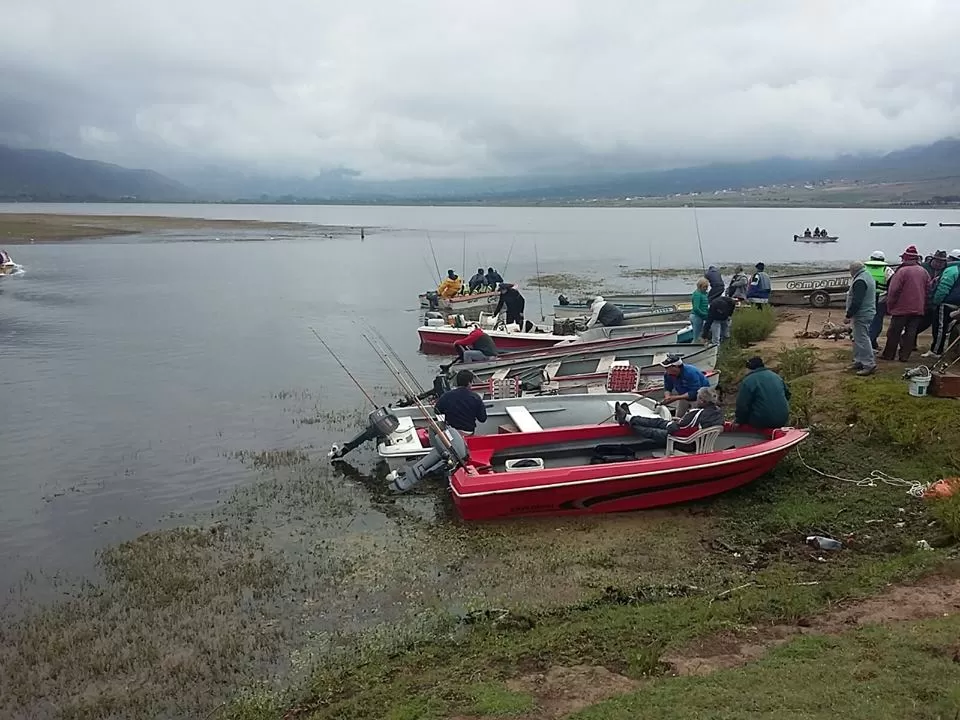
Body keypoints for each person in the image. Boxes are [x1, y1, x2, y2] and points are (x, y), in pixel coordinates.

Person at [614, 386, 723, 449]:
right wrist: (679, 421)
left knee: (652, 430)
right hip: (697, 441)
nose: (695, 400)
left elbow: (675, 429)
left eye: (698, 399)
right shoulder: (718, 412)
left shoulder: (697, 413)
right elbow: (695, 425)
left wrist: (673, 423)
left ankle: (627, 420)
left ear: (703, 401)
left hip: (685, 442)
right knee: (658, 422)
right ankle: (628, 417)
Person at [881, 245, 929, 362]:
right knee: (911, 333)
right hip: (918, 308)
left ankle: (889, 355)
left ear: (905, 258)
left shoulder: (902, 271)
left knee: (894, 332)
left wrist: (890, 305)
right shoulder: (924, 272)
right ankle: (904, 356)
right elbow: (929, 289)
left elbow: (894, 290)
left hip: (901, 308)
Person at [923, 249, 960, 359]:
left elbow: (943, 288)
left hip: (946, 303)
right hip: (957, 304)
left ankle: (936, 351)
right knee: (947, 328)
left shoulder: (951, 270)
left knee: (939, 328)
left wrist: (936, 302)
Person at [735, 357, 791, 428]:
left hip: (762, 421)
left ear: (748, 368)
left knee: (746, 416)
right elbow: (788, 395)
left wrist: (739, 421)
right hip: (783, 419)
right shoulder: (776, 377)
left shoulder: (748, 380)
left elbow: (742, 405)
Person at [844, 260, 877, 376]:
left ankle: (869, 364)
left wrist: (849, 315)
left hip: (862, 314)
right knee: (857, 338)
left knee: (862, 339)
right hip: (866, 312)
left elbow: (857, 301)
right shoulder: (867, 275)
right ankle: (859, 361)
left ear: (853, 271)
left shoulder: (860, 281)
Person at [434, 369, 488, 435]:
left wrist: (443, 422)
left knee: (434, 429)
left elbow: (437, 410)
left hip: (451, 433)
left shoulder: (446, 396)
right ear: (469, 382)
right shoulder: (475, 398)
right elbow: (482, 419)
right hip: (468, 432)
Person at [865, 250, 896, 350]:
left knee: (866, 323)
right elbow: (893, 286)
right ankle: (869, 344)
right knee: (876, 323)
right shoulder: (887, 270)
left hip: (866, 300)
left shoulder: (864, 269)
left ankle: (871, 343)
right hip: (881, 300)